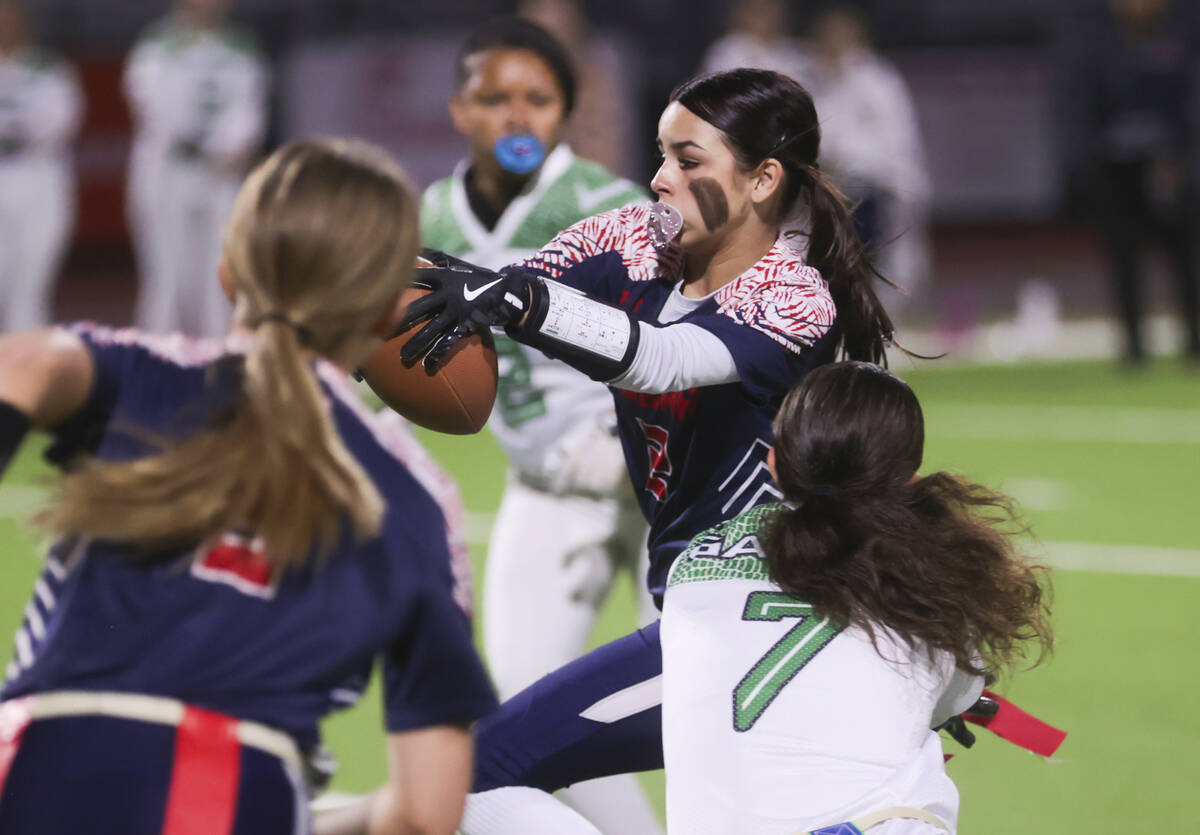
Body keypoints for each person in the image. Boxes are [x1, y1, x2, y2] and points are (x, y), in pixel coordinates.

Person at [401, 67, 896, 833]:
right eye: (660, 154)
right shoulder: (630, 237)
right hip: (697, 609)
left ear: (763, 179)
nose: (660, 180)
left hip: (769, 620)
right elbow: (512, 286)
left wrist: (518, 302)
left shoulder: (793, 295)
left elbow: (662, 358)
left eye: (688, 160)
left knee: (472, 777)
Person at [0, 139, 496, 835]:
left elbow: (20, 363)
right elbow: (424, 811)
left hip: (36, 758)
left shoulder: (149, 375)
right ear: (387, 312)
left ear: (229, 273)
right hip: (228, 785)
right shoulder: (416, 496)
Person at [420, 17, 661, 833]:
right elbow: (402, 354)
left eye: (538, 98)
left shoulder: (606, 203)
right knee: (522, 712)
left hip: (660, 478)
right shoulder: (436, 215)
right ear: (459, 109)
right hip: (547, 481)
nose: (517, 117)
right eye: (495, 99)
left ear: (566, 111)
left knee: (700, 692)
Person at [660, 361, 1054, 834]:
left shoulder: (692, 563)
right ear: (908, 480)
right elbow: (958, 694)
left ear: (774, 464)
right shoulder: (922, 576)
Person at [124, 0, 269, 339]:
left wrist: (234, 143)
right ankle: (158, 358)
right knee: (167, 274)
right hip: (168, 171)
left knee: (222, 272)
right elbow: (155, 108)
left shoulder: (241, 46)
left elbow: (251, 106)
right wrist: (211, 146)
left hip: (222, 174)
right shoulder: (156, 45)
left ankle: (218, 361)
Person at [1069, 0, 1199, 363]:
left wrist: (1183, 158)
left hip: (1169, 168)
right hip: (1117, 173)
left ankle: (1194, 339)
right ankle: (1134, 345)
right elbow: (1082, 107)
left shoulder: (1180, 38)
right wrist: (1089, 166)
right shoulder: (1098, 43)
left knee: (1183, 261)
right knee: (1124, 261)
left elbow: (1188, 104)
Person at [0, 0, 83, 332]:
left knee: (32, 285)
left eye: (9, 17)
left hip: (39, 176)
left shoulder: (50, 68)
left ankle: (24, 372)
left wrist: (14, 127)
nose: (4, 24)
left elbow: (56, 122)